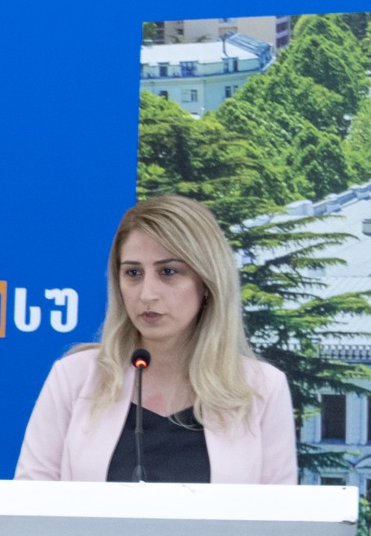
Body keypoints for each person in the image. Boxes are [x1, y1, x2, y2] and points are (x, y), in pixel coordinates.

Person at [16, 193, 296, 484]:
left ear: (207, 282)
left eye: (168, 272)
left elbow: (281, 511)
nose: (147, 293)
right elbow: (29, 501)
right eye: (133, 273)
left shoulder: (261, 388)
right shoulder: (75, 377)